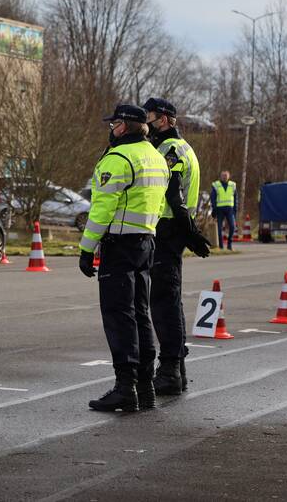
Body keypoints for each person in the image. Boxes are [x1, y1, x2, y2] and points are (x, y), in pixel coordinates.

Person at [78, 104, 169, 413]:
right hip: (146, 241)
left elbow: (101, 209)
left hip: (119, 245)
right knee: (141, 313)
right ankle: (145, 386)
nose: (111, 128)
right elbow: (158, 205)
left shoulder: (118, 159)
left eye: (114, 123)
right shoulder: (156, 157)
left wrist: (87, 248)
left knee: (119, 315)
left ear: (124, 126)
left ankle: (124, 387)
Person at [143, 98, 211, 398]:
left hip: (169, 228)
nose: (148, 123)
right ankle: (177, 369)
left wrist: (189, 231)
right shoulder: (176, 147)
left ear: (167, 119)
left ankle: (170, 369)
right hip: (173, 228)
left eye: (152, 118)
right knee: (170, 300)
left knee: (163, 302)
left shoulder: (170, 150)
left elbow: (173, 195)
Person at [210, 171, 238, 250]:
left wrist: (235, 210)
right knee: (219, 228)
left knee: (232, 227)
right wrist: (214, 209)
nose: (224, 177)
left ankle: (229, 244)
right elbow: (213, 198)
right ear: (220, 176)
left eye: (226, 175)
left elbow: (236, 198)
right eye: (223, 175)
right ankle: (221, 246)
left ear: (229, 176)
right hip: (219, 209)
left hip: (230, 209)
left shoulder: (233, 185)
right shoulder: (216, 185)